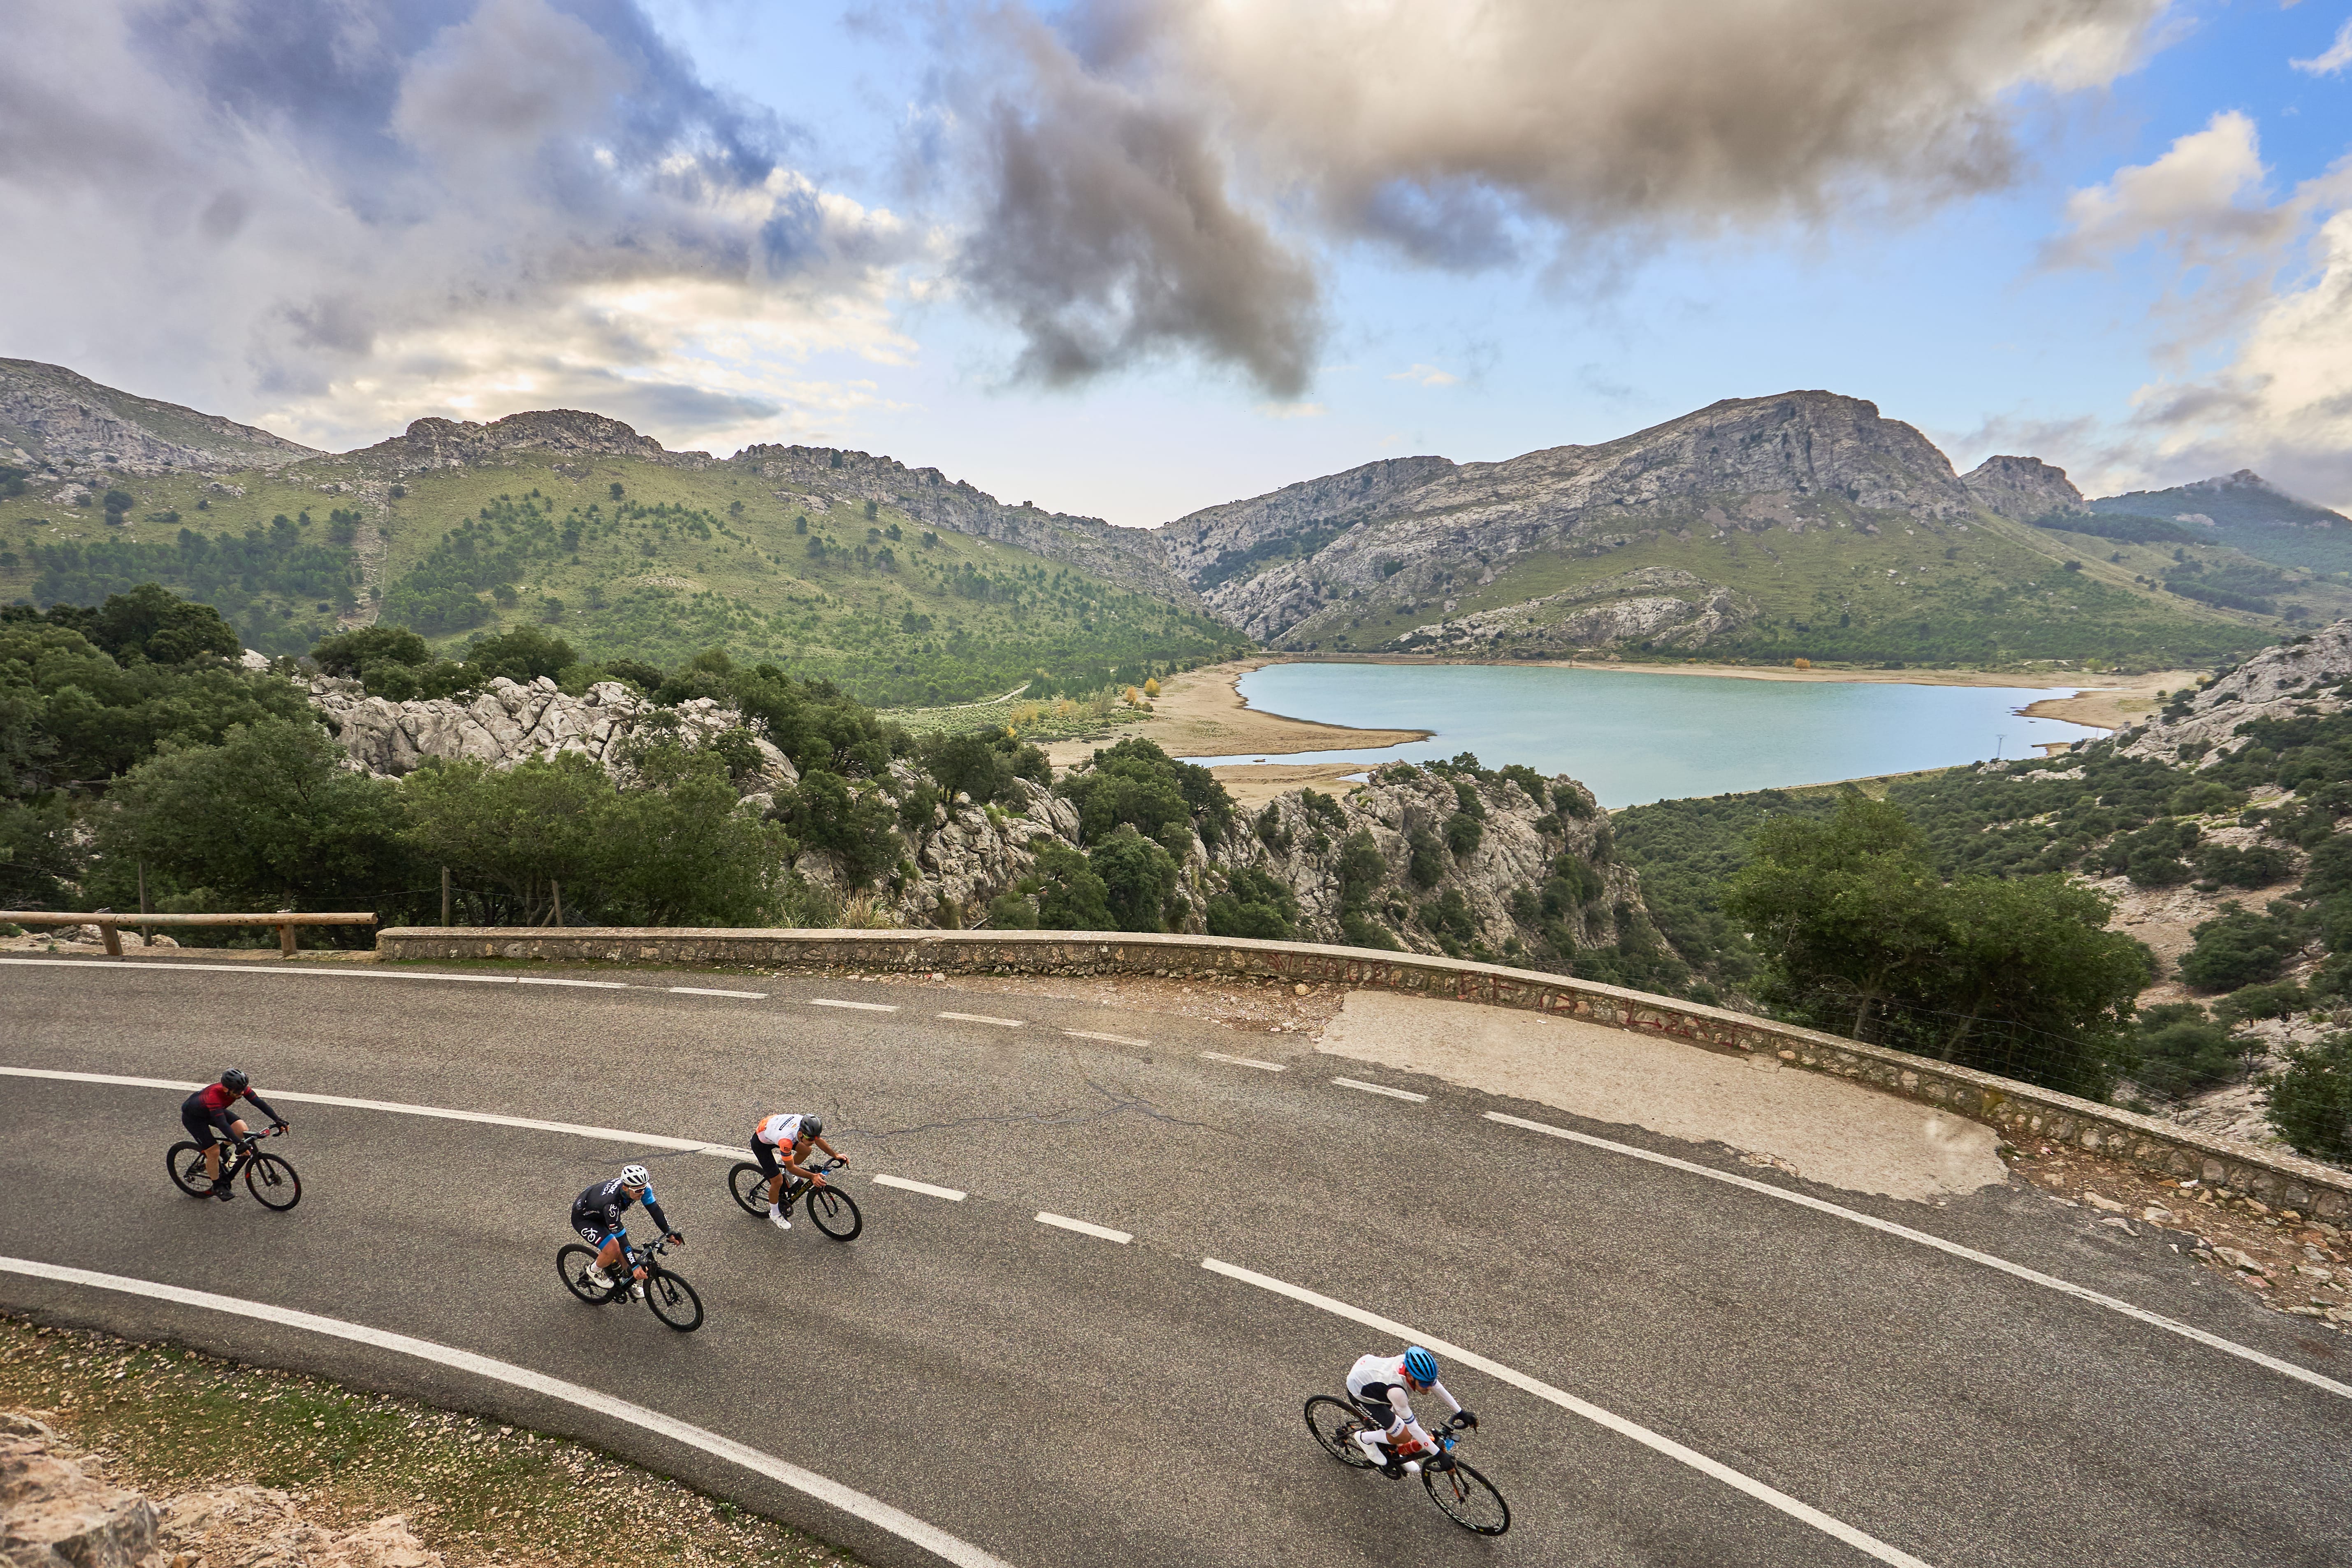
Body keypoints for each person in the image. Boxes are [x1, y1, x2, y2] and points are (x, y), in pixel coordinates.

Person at [1345, 1346, 1475, 1478]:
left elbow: (1436, 1386)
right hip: (1360, 1393)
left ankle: (1392, 1451)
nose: (1429, 1388)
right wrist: (1439, 1455)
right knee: (1404, 1435)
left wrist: (1460, 1412)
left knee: (1394, 1428)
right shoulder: (1397, 1392)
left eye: (1431, 1382)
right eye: (1425, 1384)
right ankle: (1364, 1439)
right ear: (1410, 1376)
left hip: (1371, 1376)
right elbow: (1414, 1429)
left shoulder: (1413, 1368)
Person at [571, 1165, 683, 1296]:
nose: (642, 1192)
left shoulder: (639, 1187)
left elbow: (655, 1210)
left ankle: (627, 1280)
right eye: (638, 1190)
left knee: (624, 1252)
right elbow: (622, 1239)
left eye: (644, 1188)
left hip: (600, 1210)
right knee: (614, 1248)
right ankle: (594, 1270)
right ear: (625, 1188)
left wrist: (668, 1232)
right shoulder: (611, 1206)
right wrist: (635, 1267)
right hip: (585, 1218)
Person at [180, 1069, 286, 1201]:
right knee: (213, 1151)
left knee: (241, 1129)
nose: (242, 1093)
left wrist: (277, 1120)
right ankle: (218, 1186)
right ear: (226, 1089)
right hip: (194, 1119)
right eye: (238, 1091)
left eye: (243, 1089)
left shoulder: (238, 1089)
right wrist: (238, 1143)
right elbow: (222, 1124)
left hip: (212, 1112)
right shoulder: (214, 1096)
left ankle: (224, 1151)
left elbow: (258, 1102)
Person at [747, 1112, 845, 1230]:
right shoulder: (786, 1141)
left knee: (807, 1149)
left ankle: (788, 1176)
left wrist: (836, 1155)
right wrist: (812, 1177)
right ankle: (775, 1214)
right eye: (809, 1139)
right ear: (800, 1134)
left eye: (814, 1138)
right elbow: (791, 1167)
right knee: (777, 1181)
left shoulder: (804, 1126)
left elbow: (817, 1140)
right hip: (762, 1144)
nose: (813, 1141)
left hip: (774, 1127)